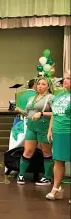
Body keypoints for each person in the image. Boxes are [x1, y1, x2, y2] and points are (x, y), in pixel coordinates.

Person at [17, 77, 53, 185]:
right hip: (31, 127)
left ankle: (47, 177)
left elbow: (56, 113)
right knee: (27, 151)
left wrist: (42, 114)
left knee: (46, 152)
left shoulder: (51, 98)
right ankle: (21, 174)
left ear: (48, 86)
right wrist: (20, 110)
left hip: (44, 128)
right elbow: (29, 113)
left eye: (43, 84)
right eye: (38, 84)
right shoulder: (32, 98)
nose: (40, 86)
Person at [46, 70, 70, 203]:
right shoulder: (60, 95)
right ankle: (56, 189)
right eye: (65, 78)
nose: (65, 80)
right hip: (58, 132)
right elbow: (55, 114)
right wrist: (50, 130)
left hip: (69, 131)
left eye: (69, 78)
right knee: (58, 161)